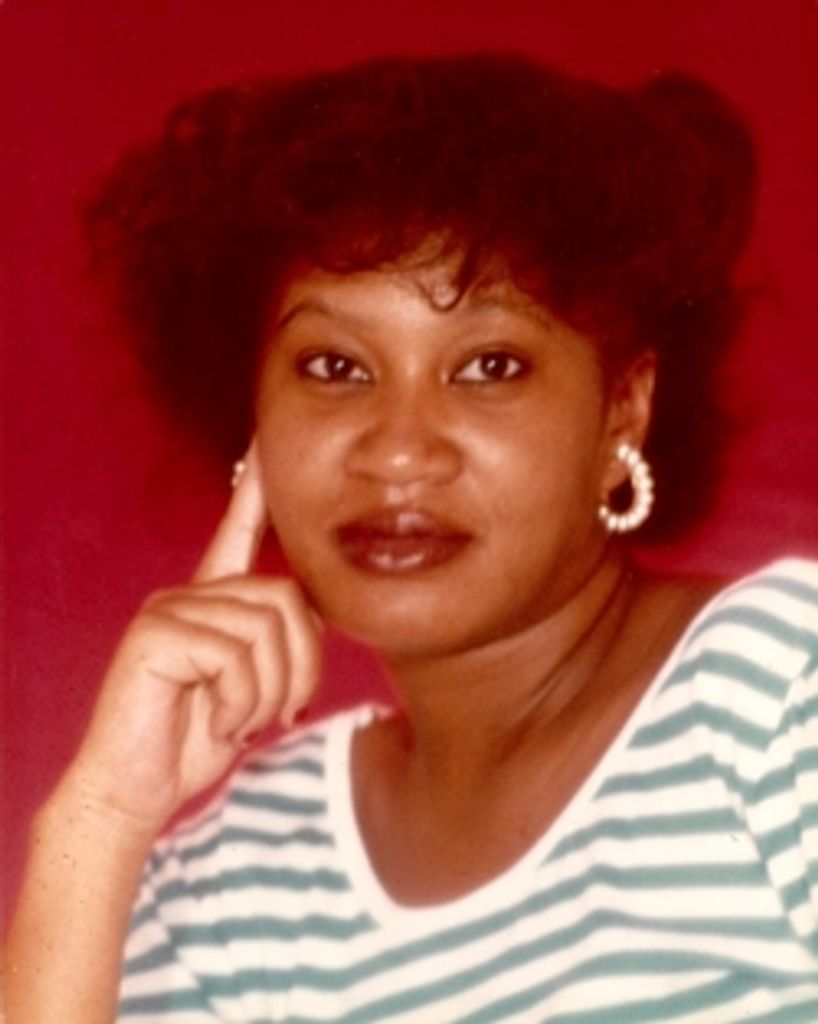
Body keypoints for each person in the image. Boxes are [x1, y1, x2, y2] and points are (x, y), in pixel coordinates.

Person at [4, 53, 817, 1024]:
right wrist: (98, 817)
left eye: (489, 366)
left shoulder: (778, 694)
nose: (397, 451)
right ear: (255, 423)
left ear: (622, 413)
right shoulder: (243, 878)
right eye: (335, 367)